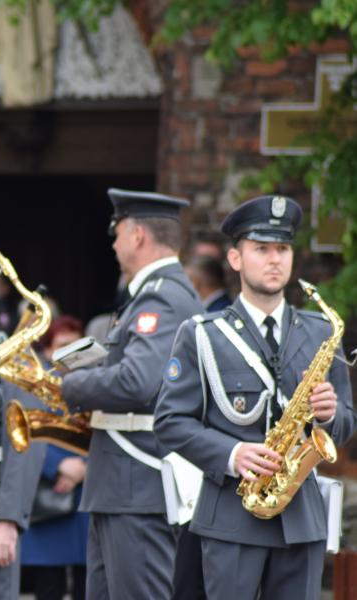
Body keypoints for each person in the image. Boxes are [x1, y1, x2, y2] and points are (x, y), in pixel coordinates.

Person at [155, 195, 356, 600]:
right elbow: (170, 421)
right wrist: (232, 455)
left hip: (301, 521)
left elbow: (346, 426)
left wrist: (329, 415)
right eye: (261, 249)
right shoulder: (202, 334)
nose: (274, 259)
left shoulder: (321, 331)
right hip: (231, 517)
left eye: (282, 249)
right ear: (235, 259)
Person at [61, 189, 203, 600]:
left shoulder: (162, 296)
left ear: (137, 235)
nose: (114, 244)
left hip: (137, 481)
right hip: (122, 483)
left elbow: (137, 381)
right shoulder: (153, 293)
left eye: (117, 233)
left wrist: (70, 385)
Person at [22, 315, 88, 600]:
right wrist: (57, 465)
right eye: (62, 346)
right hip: (50, 490)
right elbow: (22, 431)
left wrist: (86, 467)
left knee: (90, 581)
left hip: (87, 491)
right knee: (49, 584)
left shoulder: (97, 381)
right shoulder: (33, 385)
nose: (69, 353)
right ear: (48, 350)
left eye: (76, 346)